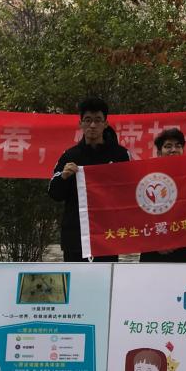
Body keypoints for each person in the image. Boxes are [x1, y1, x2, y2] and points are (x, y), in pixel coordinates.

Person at [48, 96, 130, 262]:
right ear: (80, 123)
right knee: (76, 278)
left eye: (98, 120)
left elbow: (130, 192)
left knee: (105, 278)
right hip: (75, 236)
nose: (92, 125)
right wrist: (63, 177)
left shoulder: (120, 155)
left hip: (108, 235)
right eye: (88, 120)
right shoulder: (69, 156)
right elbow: (54, 193)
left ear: (105, 123)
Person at [140, 128, 186, 263]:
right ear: (159, 153)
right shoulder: (147, 178)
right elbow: (138, 215)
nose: (173, 150)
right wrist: (155, 241)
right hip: (153, 249)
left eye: (178, 146)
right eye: (168, 146)